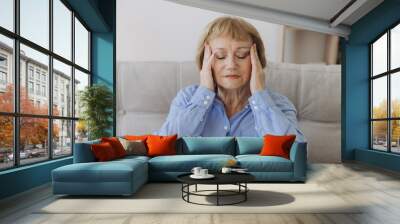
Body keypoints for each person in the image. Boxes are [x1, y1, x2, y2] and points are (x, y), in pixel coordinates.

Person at [155, 16, 306, 142]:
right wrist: (204, 93)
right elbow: (163, 146)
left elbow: (296, 153)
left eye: (241, 55)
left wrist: (259, 95)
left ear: (257, 60)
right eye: (220, 56)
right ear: (206, 61)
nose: (231, 65)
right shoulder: (187, 99)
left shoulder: (279, 104)